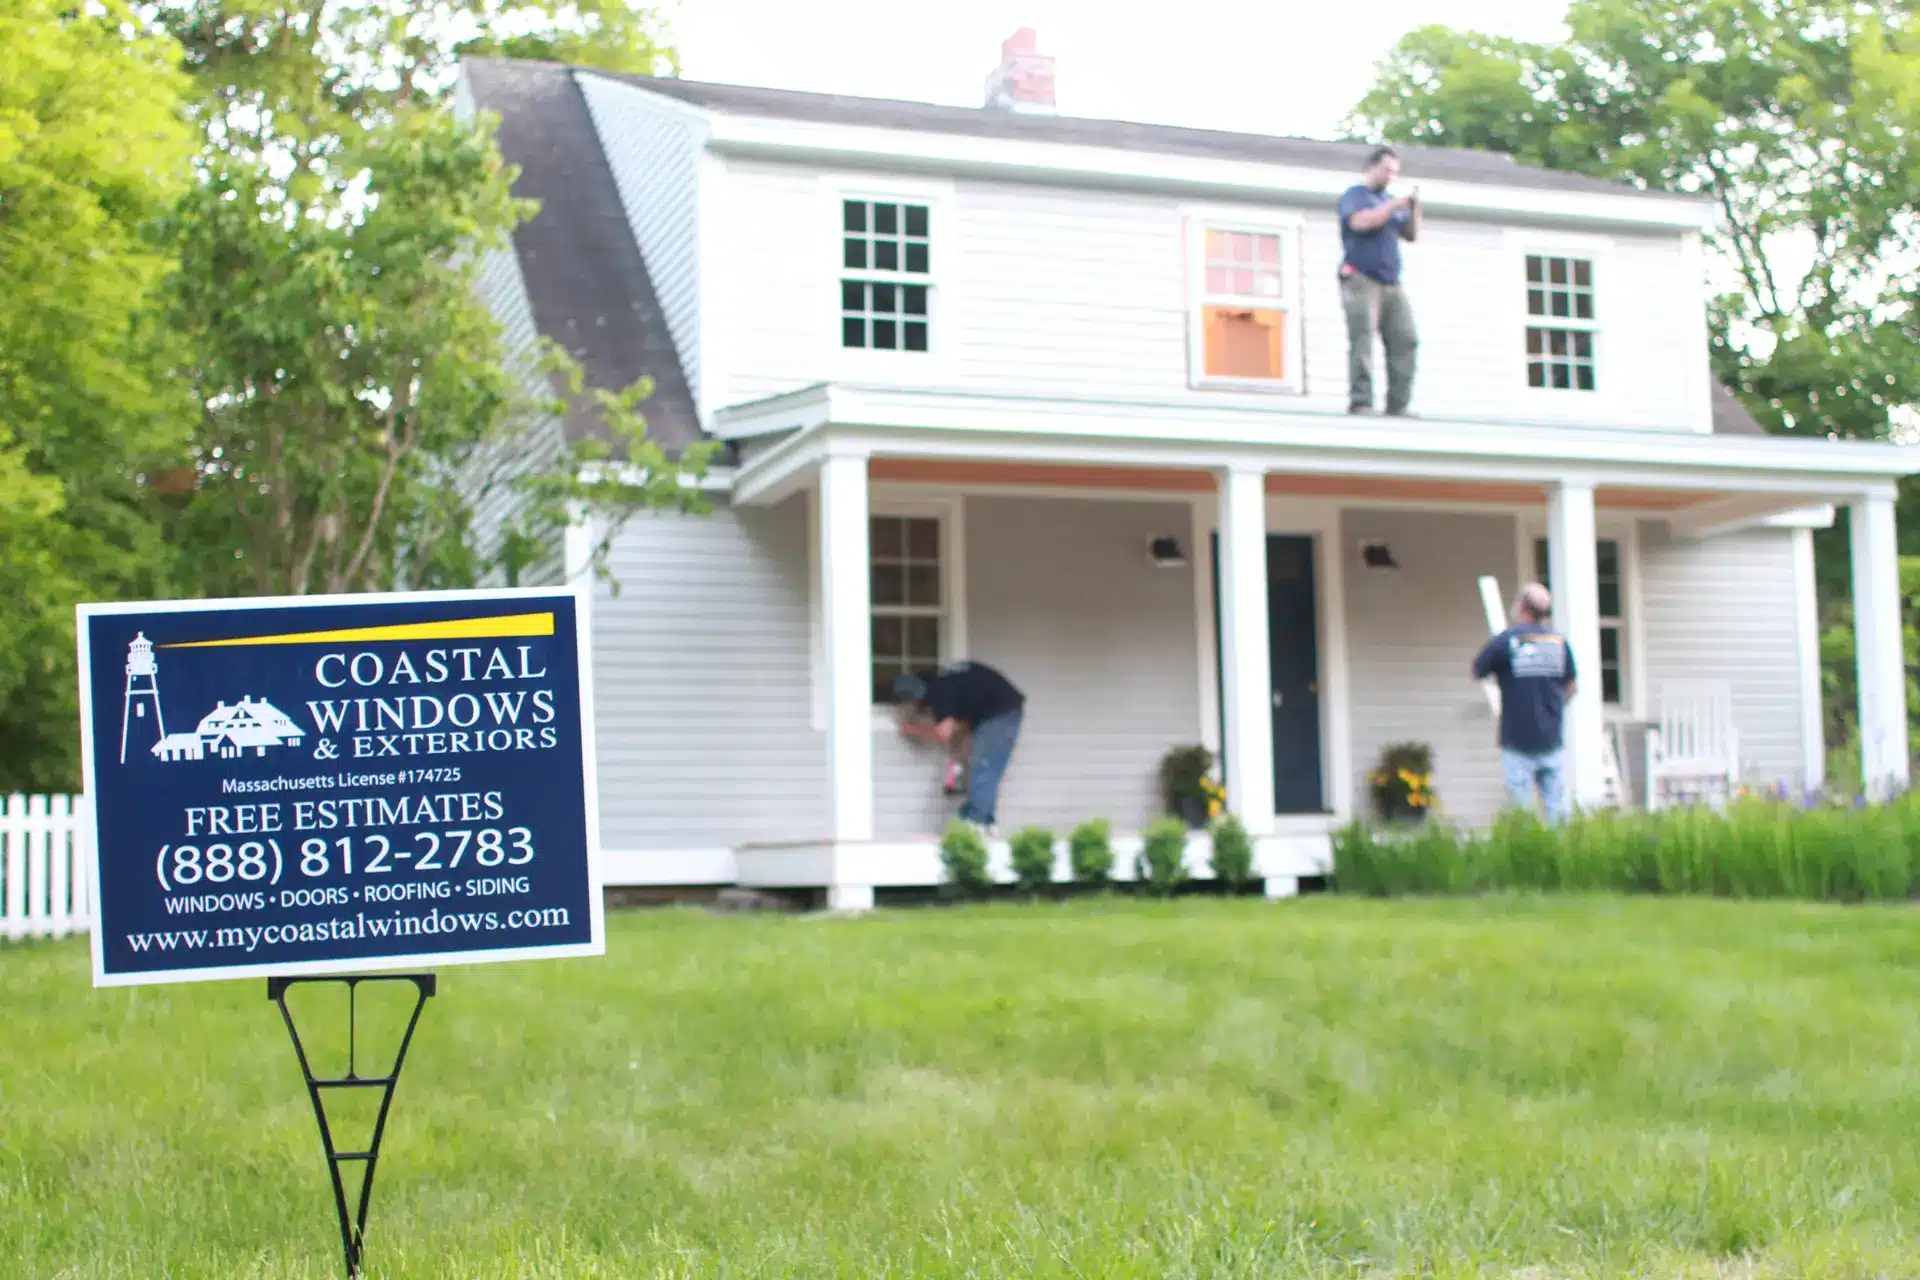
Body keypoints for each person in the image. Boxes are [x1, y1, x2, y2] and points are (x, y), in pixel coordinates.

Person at [1471, 582, 1579, 823]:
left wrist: (1501, 676)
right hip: (1551, 740)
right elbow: (1571, 686)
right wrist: (1554, 707)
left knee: (1521, 813)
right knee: (1556, 813)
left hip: (1517, 741)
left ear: (1521, 607)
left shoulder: (1507, 641)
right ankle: (1558, 857)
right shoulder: (1559, 643)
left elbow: (1475, 671)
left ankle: (1528, 856)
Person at [892, 661, 1026, 834]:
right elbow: (960, 723)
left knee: (984, 769)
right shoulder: (947, 682)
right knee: (983, 768)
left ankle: (975, 823)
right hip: (995, 710)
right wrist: (960, 752)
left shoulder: (939, 692)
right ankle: (985, 821)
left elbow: (943, 734)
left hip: (1000, 712)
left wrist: (913, 729)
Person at [1338, 145, 1421, 417]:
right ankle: (1361, 401)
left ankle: (1398, 405)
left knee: (1405, 338)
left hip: (1391, 283)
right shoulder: (1356, 196)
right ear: (1371, 167)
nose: (1390, 176)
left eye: (1395, 172)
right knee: (1362, 338)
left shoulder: (1390, 201)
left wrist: (1414, 209)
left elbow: (1411, 235)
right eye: (1387, 170)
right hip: (1361, 278)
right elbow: (1360, 223)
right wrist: (1393, 206)